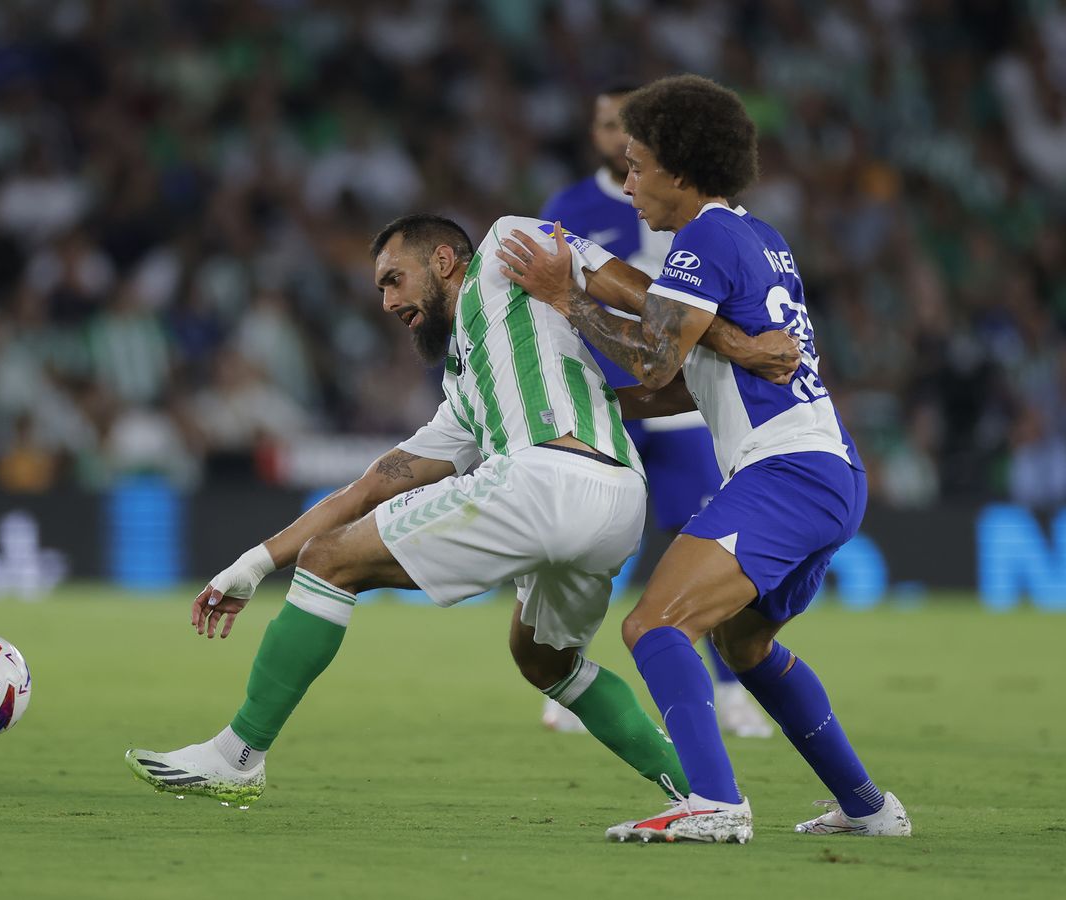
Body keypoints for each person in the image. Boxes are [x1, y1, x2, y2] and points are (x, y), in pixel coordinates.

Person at [124, 213, 798, 805]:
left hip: (545, 479)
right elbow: (367, 488)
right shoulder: (469, 391)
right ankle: (703, 791)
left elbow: (641, 291)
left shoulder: (509, 243)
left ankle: (237, 756)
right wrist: (252, 565)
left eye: (395, 279)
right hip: (615, 503)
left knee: (331, 563)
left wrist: (736, 345)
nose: (387, 301)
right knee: (543, 661)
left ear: (443, 260)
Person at [496, 74, 910, 842]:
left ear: (682, 171)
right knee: (745, 644)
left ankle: (716, 804)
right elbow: (688, 380)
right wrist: (592, 415)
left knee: (654, 623)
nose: (628, 186)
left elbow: (653, 360)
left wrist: (566, 298)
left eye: (639, 166)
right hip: (826, 468)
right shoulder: (761, 237)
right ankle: (868, 808)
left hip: (785, 472)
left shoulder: (704, 240)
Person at [538, 83, 770, 739]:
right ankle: (565, 677)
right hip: (607, 404)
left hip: (683, 410)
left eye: (625, 127)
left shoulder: (700, 218)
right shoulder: (570, 208)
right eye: (604, 123)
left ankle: (731, 693)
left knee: (704, 550)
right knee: (589, 547)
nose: (615, 137)